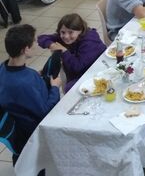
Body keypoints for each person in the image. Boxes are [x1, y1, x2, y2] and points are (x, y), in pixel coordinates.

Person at [0, 24, 61, 166]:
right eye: (33, 42)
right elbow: (44, 112)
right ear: (25, 49)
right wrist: (55, 88)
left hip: (16, 126)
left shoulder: (3, 68)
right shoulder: (24, 83)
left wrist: (36, 75)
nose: (35, 44)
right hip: (31, 131)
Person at [37, 14, 105, 92]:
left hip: (97, 69)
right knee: (69, 87)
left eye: (70, 32)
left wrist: (64, 51)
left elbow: (77, 67)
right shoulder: (63, 37)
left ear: (81, 30)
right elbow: (41, 38)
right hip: (80, 72)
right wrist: (51, 44)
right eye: (63, 32)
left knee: (71, 88)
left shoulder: (89, 41)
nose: (66, 36)